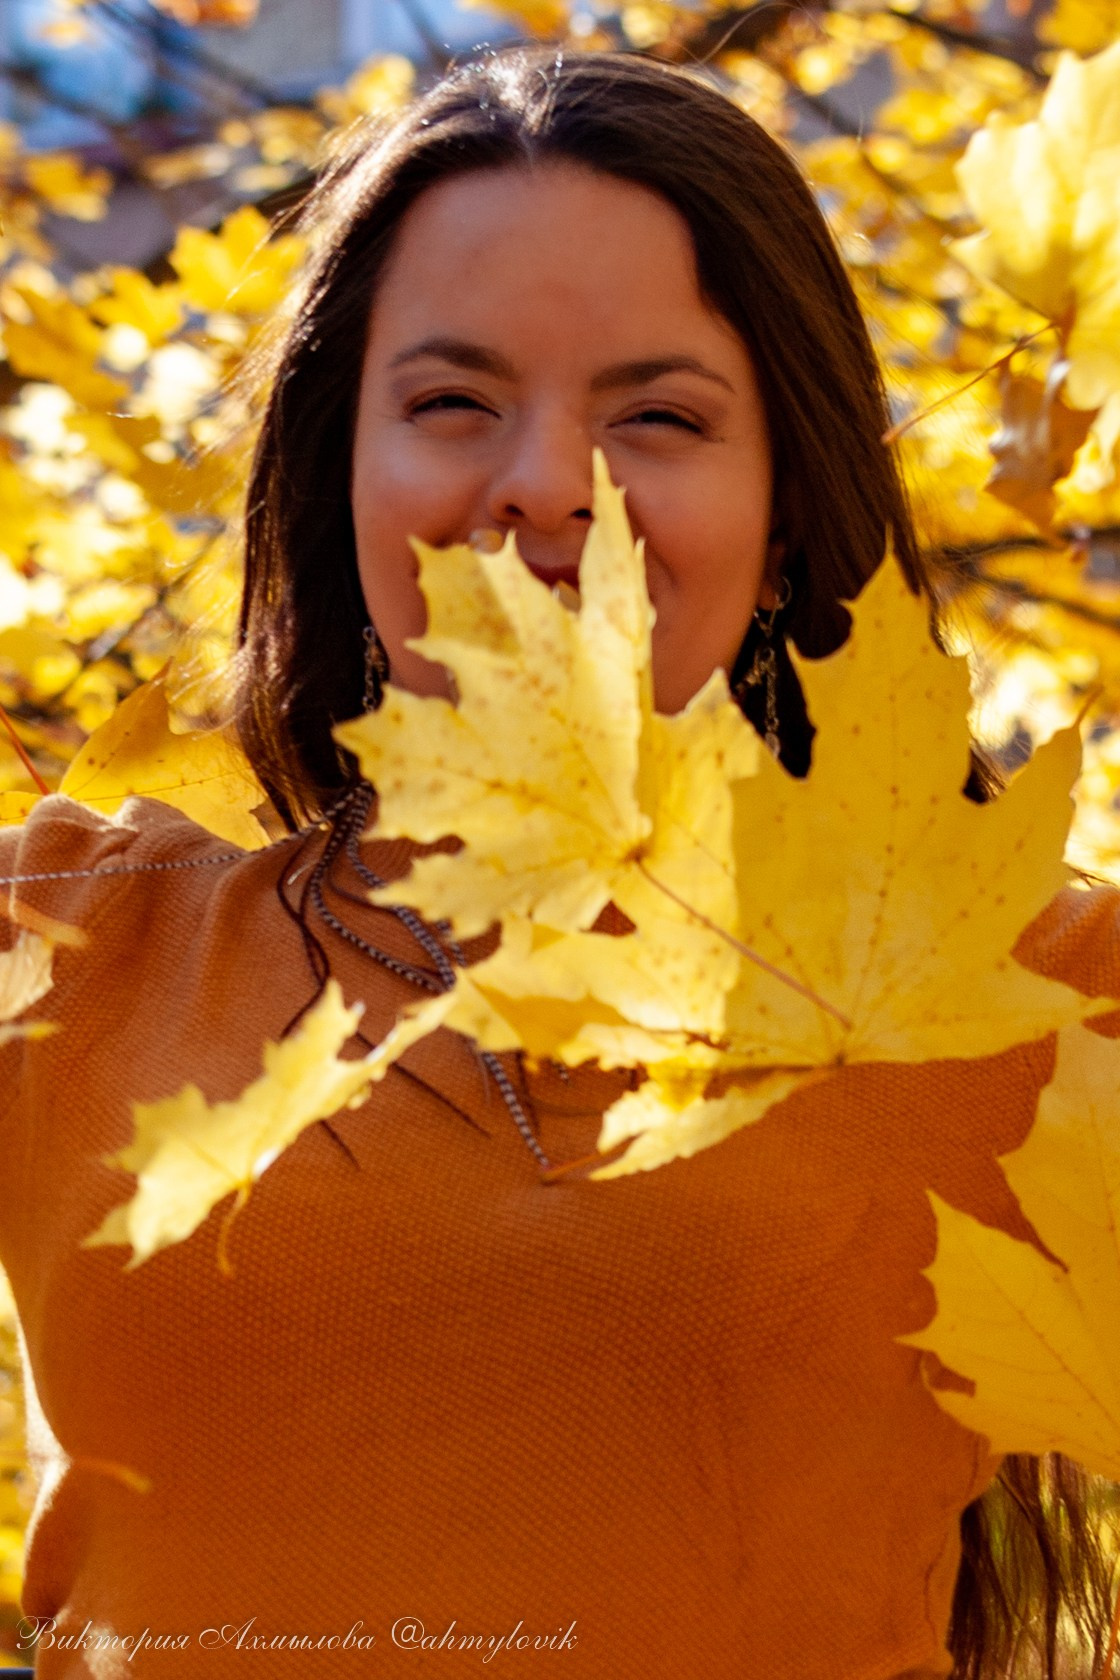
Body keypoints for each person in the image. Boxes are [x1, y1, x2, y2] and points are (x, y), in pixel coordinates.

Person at [0, 45, 1114, 1680]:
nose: (543, 488)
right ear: (341, 473)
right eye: (454, 404)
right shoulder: (71, 954)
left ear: (785, 497)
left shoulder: (1034, 992)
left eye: (658, 416)